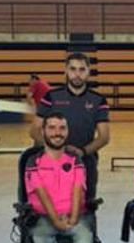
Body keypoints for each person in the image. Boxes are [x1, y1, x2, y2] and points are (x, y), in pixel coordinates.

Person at [24, 112, 92, 243]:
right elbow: (41, 193)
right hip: (45, 216)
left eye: (61, 128)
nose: (57, 133)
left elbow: (77, 189)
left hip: (73, 214)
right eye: (52, 128)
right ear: (43, 131)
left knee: (85, 237)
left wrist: (72, 217)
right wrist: (55, 219)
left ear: (67, 132)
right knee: (40, 238)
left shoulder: (75, 160)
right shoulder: (33, 161)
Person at [31, 53, 110, 203]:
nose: (77, 74)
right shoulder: (51, 97)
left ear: (88, 72)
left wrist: (82, 151)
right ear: (66, 71)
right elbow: (34, 131)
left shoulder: (98, 100)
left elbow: (104, 137)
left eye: (82, 69)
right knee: (52, 208)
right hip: (52, 162)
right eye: (73, 69)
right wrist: (57, 150)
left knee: (86, 209)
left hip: (85, 161)